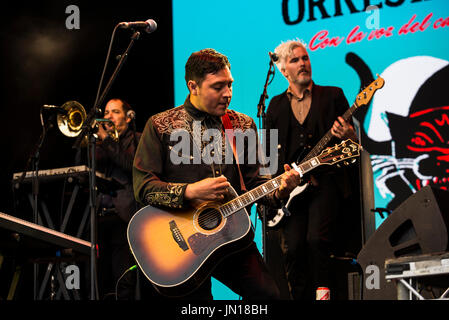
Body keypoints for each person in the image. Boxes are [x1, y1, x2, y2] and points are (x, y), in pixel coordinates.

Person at [132, 48, 301, 299]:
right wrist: (190, 191)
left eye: (230, 85)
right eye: (218, 87)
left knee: (269, 296)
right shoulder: (159, 125)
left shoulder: (243, 125)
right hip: (183, 247)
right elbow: (142, 187)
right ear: (193, 86)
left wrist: (281, 189)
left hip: (232, 239)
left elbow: (259, 182)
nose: (228, 94)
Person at [265, 39, 359, 300]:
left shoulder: (333, 95)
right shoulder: (274, 106)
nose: (303, 63)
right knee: (293, 248)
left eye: (305, 58)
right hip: (292, 190)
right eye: (295, 60)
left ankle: (324, 296)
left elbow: (352, 146)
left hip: (326, 182)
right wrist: (280, 183)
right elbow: (269, 155)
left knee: (317, 241)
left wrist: (349, 134)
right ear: (283, 70)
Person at [96, 98, 141, 299]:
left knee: (123, 279)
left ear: (128, 117)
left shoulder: (138, 140)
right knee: (99, 279)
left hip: (125, 217)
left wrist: (107, 140)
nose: (108, 117)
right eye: (106, 112)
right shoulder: (100, 143)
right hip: (98, 216)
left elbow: (130, 165)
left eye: (114, 112)